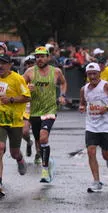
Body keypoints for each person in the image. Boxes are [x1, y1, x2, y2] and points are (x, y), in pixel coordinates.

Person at [23, 46, 67, 183]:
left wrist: (62, 95)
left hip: (49, 110)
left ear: (48, 57)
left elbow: (64, 83)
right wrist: (26, 88)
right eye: (37, 56)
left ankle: (45, 170)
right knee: (38, 142)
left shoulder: (56, 72)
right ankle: (48, 161)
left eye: (42, 56)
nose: (39, 59)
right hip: (35, 111)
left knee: (43, 138)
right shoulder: (30, 72)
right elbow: (19, 87)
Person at [79, 62, 108, 192]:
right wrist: (81, 107)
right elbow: (82, 102)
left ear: (99, 73)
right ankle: (96, 181)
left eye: (94, 73)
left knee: (105, 153)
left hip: (106, 126)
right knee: (91, 151)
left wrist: (107, 108)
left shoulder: (107, 87)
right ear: (86, 75)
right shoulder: (84, 89)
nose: (92, 76)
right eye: (89, 74)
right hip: (91, 125)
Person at [0, 54, 31, 197]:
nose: (0, 66)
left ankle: (19, 158)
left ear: (9, 65)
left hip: (15, 121)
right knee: (0, 148)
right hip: (0, 121)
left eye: (3, 63)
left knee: (14, 153)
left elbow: (27, 96)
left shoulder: (17, 79)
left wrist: (11, 99)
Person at [22, 55, 35, 160]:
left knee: (39, 135)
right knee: (24, 132)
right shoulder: (20, 78)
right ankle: (29, 142)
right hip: (26, 109)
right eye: (28, 64)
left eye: (32, 63)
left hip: (38, 108)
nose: (30, 66)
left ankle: (39, 155)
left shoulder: (42, 77)